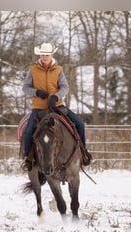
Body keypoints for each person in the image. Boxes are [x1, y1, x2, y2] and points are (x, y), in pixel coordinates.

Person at [21, 42, 92, 171]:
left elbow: (65, 87)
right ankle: (28, 158)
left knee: (80, 124)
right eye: (42, 55)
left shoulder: (58, 70)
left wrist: (56, 97)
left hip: (57, 106)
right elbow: (25, 88)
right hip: (39, 108)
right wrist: (36, 92)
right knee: (29, 130)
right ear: (40, 55)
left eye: (47, 54)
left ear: (51, 55)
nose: (44, 57)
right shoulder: (33, 69)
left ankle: (83, 152)